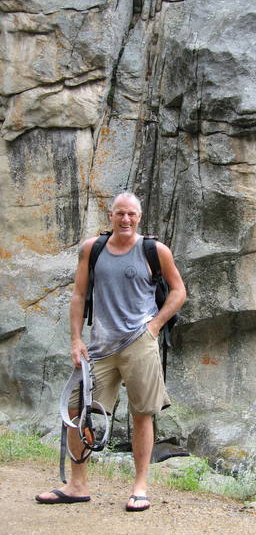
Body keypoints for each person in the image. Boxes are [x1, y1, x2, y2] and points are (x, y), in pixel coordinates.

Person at [36, 191, 186, 511]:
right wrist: (76, 340)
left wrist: (156, 325)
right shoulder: (93, 249)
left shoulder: (155, 251)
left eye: (131, 214)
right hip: (99, 347)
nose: (126, 219)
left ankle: (140, 487)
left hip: (139, 343)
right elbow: (78, 295)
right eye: (120, 213)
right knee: (76, 411)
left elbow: (179, 291)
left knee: (142, 414)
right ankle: (77, 485)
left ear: (139, 217)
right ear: (111, 215)